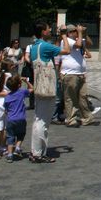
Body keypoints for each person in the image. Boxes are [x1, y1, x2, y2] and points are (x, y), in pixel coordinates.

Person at [29, 22, 70, 163]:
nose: (50, 30)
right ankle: (39, 153)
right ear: (43, 31)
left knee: (38, 119)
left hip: (39, 86)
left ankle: (35, 151)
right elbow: (67, 50)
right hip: (47, 88)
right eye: (48, 29)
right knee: (43, 122)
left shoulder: (35, 46)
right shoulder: (45, 46)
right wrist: (64, 35)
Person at [60, 24, 96, 127]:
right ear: (70, 33)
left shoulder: (78, 39)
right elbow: (78, 45)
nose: (77, 32)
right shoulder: (66, 41)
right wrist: (80, 33)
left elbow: (90, 43)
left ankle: (87, 117)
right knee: (70, 98)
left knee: (83, 96)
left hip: (80, 73)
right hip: (70, 73)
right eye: (75, 31)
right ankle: (71, 119)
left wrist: (85, 33)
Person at [3, 75, 32, 162]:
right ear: (19, 85)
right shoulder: (22, 92)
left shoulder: (7, 97)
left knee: (10, 136)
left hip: (10, 120)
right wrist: (26, 81)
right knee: (21, 134)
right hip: (21, 118)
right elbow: (32, 89)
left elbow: (6, 110)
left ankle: (10, 154)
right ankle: (18, 147)